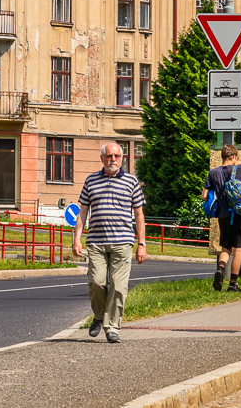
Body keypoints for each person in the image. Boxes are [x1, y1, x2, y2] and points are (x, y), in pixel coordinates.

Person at [71, 142, 148, 343]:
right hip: (96, 242)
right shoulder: (91, 181)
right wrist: (77, 239)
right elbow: (83, 212)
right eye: (108, 156)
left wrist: (142, 244)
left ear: (121, 158)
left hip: (122, 243)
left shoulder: (131, 181)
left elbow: (139, 215)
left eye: (116, 156)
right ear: (102, 158)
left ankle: (112, 327)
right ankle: (99, 315)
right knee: (96, 283)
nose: (113, 159)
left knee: (118, 286)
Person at [204, 144, 241, 292]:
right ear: (233, 157)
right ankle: (233, 284)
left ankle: (220, 269)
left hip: (223, 216)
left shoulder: (213, 172)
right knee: (238, 250)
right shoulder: (240, 169)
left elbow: (204, 195)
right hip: (239, 215)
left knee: (226, 247)